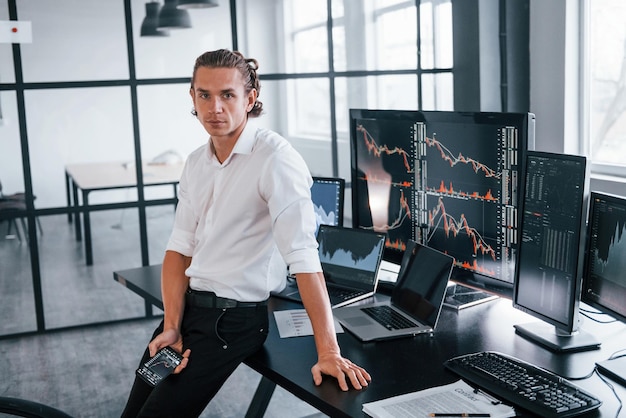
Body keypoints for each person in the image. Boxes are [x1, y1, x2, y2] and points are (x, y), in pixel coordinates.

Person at [120, 49, 371, 417]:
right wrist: (172, 325)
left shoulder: (275, 160)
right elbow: (179, 248)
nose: (214, 107)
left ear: (250, 99)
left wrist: (329, 352)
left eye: (227, 95)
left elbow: (303, 258)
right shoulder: (195, 163)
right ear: (192, 96)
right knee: (133, 412)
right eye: (204, 95)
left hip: (232, 322)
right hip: (189, 311)